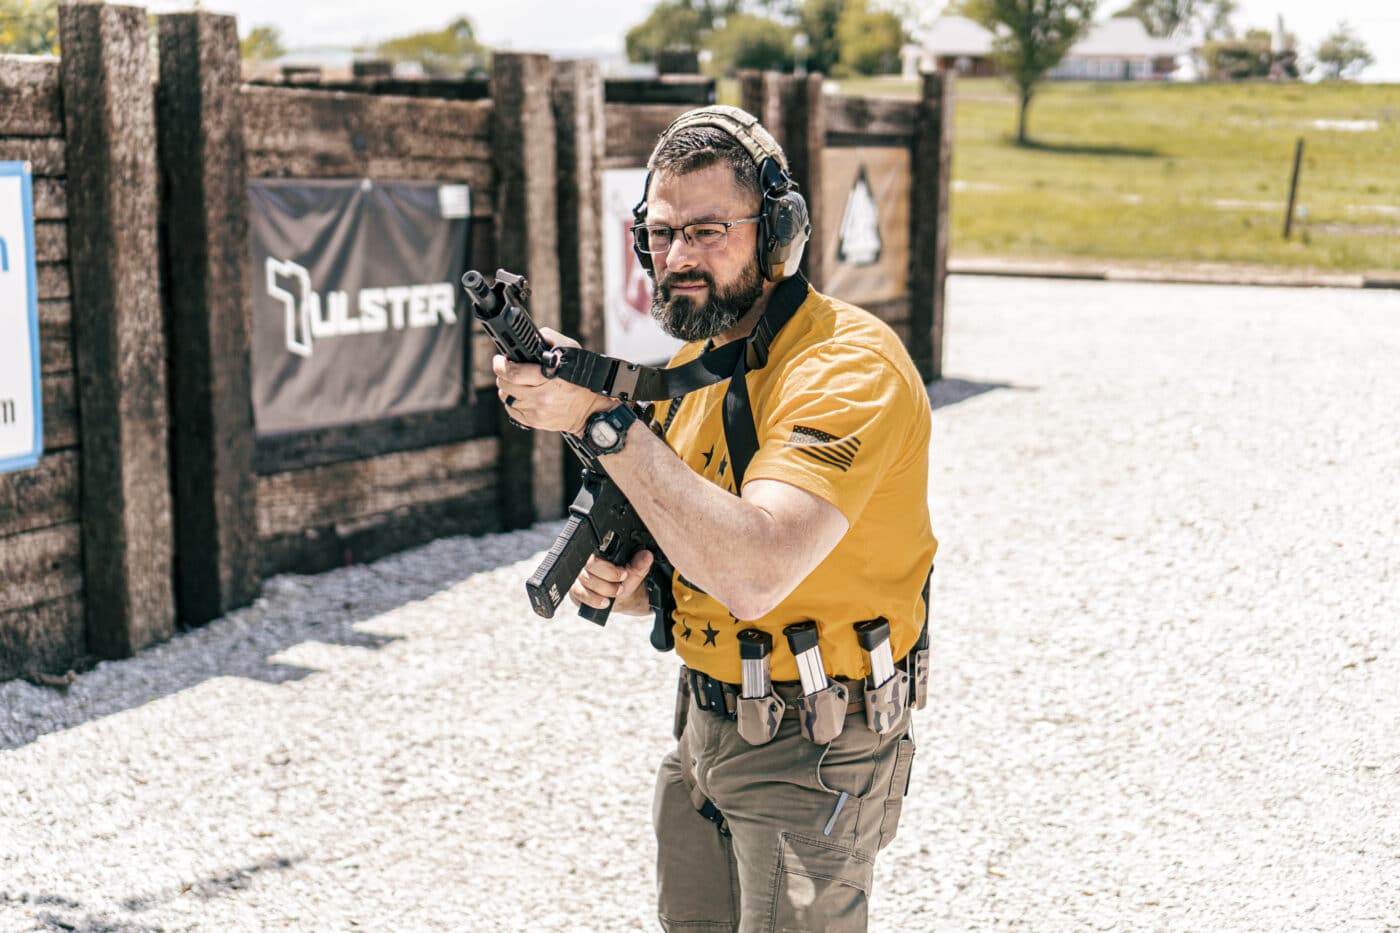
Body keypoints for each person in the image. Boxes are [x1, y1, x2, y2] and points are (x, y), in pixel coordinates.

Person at [493, 105, 937, 932]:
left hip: (814, 749)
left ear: (778, 234)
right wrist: (635, 585)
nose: (678, 258)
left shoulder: (847, 367)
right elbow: (689, 562)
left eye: (708, 229)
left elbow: (755, 569)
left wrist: (598, 415)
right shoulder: (694, 369)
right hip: (705, 729)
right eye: (661, 234)